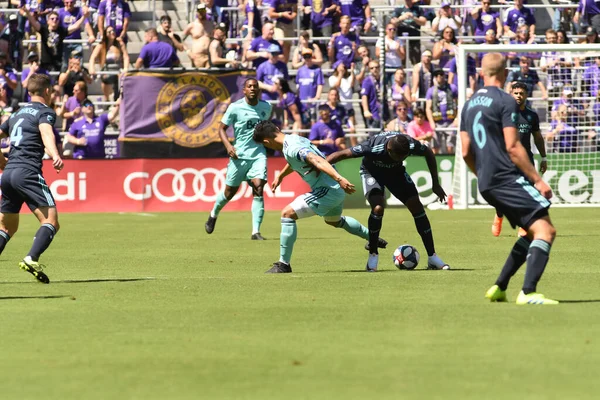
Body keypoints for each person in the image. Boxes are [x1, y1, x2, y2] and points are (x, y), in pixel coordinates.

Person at [459, 52, 557, 305]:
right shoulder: (505, 101)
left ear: (481, 73)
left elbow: (466, 151)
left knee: (530, 232)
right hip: (506, 177)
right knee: (546, 230)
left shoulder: (468, 105)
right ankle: (528, 292)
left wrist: (482, 175)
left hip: (486, 182)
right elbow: (513, 147)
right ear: (505, 75)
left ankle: (500, 287)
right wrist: (538, 179)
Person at [253, 120, 386, 273]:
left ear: (266, 141)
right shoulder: (294, 139)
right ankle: (372, 238)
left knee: (287, 214)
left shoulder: (292, 148)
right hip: (333, 189)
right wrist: (281, 176)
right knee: (334, 221)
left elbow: (315, 159)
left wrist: (339, 179)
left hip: (327, 189)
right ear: (277, 129)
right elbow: (296, 160)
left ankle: (283, 264)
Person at [326, 132, 449, 272]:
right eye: (400, 156)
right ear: (389, 150)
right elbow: (340, 155)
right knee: (378, 208)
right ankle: (373, 254)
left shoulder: (410, 144)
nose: (403, 158)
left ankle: (432, 257)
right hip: (371, 173)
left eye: (405, 155)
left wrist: (435, 183)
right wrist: (318, 166)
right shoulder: (372, 146)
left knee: (416, 206)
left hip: (395, 174)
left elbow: (428, 152)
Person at [0, 73, 64, 284]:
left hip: (8, 174)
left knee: (6, 227)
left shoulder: (16, 114)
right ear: (47, 91)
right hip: (27, 171)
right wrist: (54, 154)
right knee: (51, 220)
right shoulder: (45, 112)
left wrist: (3, 163)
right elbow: (46, 133)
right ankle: (31, 258)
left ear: (29, 91)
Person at [205, 78, 272, 240]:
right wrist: (228, 146)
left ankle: (255, 232)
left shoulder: (266, 107)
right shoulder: (235, 108)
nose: (253, 89)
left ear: (259, 90)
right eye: (249, 86)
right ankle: (214, 213)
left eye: (255, 87)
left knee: (258, 188)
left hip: (258, 154)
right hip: (239, 155)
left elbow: (266, 129)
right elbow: (221, 129)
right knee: (229, 192)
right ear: (244, 90)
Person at [492, 81, 548, 237]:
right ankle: (499, 215)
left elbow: (537, 137)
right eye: (515, 93)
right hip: (505, 160)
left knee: (527, 194)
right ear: (511, 94)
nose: (518, 96)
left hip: (525, 161)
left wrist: (543, 157)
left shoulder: (532, 115)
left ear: (526, 95)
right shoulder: (503, 114)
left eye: (521, 93)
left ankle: (524, 224)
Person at [24, 7, 90, 72]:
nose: (54, 20)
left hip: (58, 63)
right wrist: (27, 12)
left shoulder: (61, 30)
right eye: (52, 19)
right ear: (48, 21)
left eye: (57, 19)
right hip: (46, 63)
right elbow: (33, 22)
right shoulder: (43, 29)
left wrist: (84, 17)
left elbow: (75, 26)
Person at [88, 27, 129, 101]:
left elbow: (126, 56)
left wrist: (126, 68)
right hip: (107, 70)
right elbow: (93, 57)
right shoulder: (102, 45)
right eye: (109, 32)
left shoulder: (119, 43)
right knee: (105, 78)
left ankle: (117, 99)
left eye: (113, 30)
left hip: (118, 70)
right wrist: (91, 68)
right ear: (106, 34)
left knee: (120, 78)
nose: (112, 32)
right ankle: (107, 99)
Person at [425, 70, 458, 154]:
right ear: (435, 78)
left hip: (450, 121)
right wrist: (431, 122)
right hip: (437, 121)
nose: (439, 76)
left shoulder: (452, 88)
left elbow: (458, 104)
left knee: (450, 145)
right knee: (435, 146)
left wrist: (456, 119)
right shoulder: (431, 90)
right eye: (437, 75)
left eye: (441, 74)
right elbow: (428, 108)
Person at [391, 0, 427, 65]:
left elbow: (423, 22)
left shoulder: (418, 8)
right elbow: (393, 22)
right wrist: (401, 18)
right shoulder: (399, 9)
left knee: (416, 62)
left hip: (414, 40)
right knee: (402, 62)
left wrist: (413, 18)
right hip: (402, 40)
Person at [182, 3, 214, 68]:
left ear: (205, 12)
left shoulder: (211, 24)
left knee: (209, 76)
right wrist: (188, 51)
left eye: (203, 11)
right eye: (200, 11)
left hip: (209, 56)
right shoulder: (192, 25)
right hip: (197, 56)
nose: (201, 13)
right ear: (197, 12)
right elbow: (181, 39)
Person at [361, 60, 382, 131]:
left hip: (384, 113)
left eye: (376, 67)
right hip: (374, 114)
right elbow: (364, 96)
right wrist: (366, 110)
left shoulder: (382, 80)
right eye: (372, 68)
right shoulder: (367, 81)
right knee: (374, 139)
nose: (374, 69)